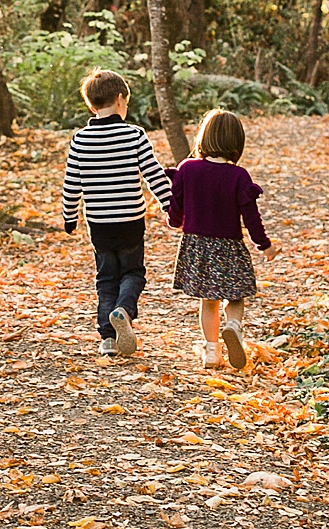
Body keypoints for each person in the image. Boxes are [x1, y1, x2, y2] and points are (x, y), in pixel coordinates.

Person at [59, 70, 172, 358]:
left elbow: (72, 184)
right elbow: (153, 175)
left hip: (99, 223)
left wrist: (69, 217)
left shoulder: (80, 140)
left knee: (106, 276)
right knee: (133, 271)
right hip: (131, 221)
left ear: (91, 105)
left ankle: (108, 339)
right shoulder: (134, 134)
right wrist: (171, 206)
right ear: (121, 100)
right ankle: (124, 309)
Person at [168, 109, 272, 370]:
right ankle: (233, 326)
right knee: (236, 297)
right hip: (229, 246)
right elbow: (251, 217)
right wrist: (264, 244)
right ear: (237, 143)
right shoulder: (238, 176)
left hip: (197, 246)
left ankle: (212, 351)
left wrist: (173, 221)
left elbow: (176, 205)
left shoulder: (187, 169)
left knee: (209, 300)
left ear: (204, 138)